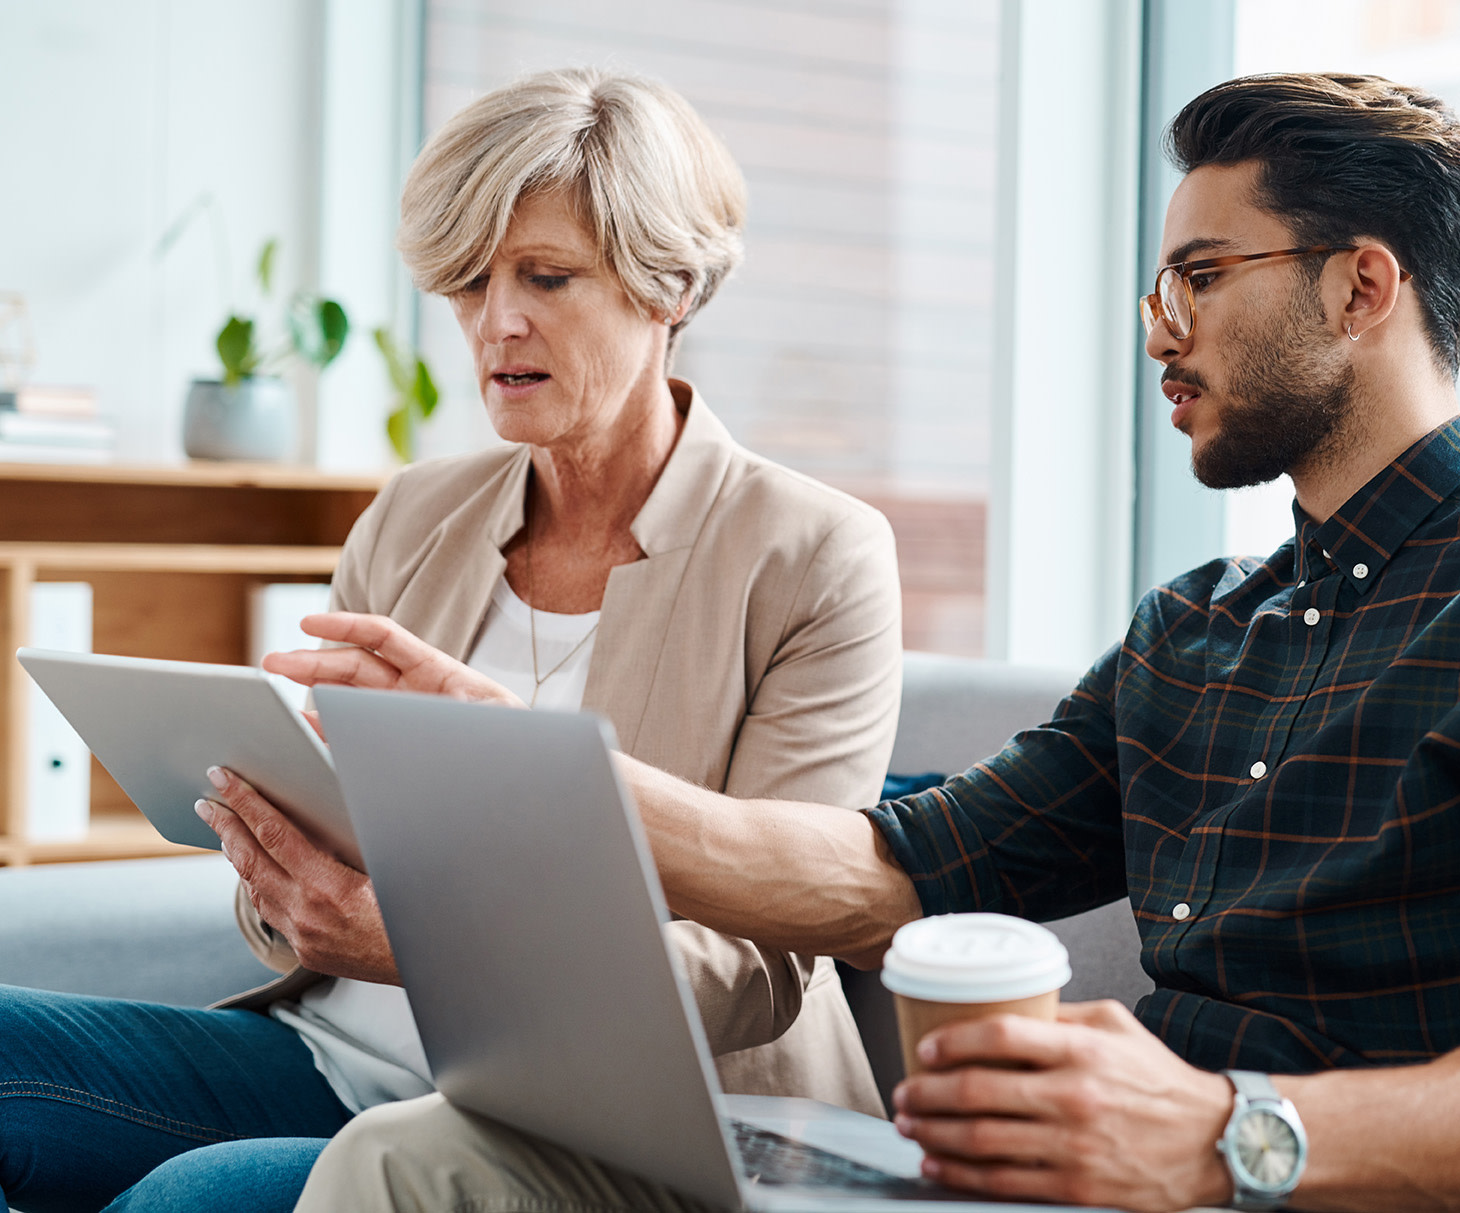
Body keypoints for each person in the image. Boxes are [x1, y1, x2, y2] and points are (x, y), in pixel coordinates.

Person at [290, 73, 1460, 1213]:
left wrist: (1222, 1134)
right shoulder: (1204, 630)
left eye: (1201, 277)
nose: (1158, 329)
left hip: (1252, 1176)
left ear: (1362, 286)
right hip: (1067, 1185)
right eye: (1157, 285)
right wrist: (518, 762)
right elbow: (887, 871)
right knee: (427, 1163)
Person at [0, 67, 901, 1213]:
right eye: (469, 283)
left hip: (613, 1121)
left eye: (546, 277)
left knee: (194, 1197)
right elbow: (308, 871)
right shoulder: (415, 515)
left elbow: (762, 960)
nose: (496, 322)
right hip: (339, 1059)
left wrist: (425, 946)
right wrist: (281, 869)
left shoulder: (812, 553)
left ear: (667, 285)